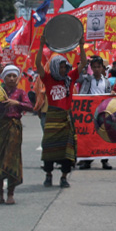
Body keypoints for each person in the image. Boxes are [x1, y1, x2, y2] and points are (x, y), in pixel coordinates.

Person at [36, 34, 86, 188]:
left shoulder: (70, 78)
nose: (64, 69)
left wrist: (82, 46)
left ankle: (64, 177)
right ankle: (48, 175)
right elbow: (38, 64)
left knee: (68, 148)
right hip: (52, 117)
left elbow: (83, 63)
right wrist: (41, 45)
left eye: (65, 66)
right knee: (49, 147)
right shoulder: (48, 78)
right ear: (55, 67)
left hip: (66, 117)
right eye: (61, 67)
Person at [0, 65, 33, 205]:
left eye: (14, 76)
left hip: (14, 127)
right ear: (3, 77)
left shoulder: (20, 92)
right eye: (9, 76)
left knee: (11, 158)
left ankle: (10, 194)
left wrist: (17, 103)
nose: (12, 79)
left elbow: (30, 106)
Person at [77, 56, 112, 170]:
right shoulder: (86, 79)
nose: (97, 69)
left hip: (102, 112)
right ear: (91, 68)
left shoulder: (106, 82)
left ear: (102, 68)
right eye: (94, 67)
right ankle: (86, 160)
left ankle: (105, 160)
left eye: (99, 67)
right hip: (89, 113)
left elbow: (108, 95)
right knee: (88, 136)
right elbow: (77, 76)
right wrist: (83, 65)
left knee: (103, 135)